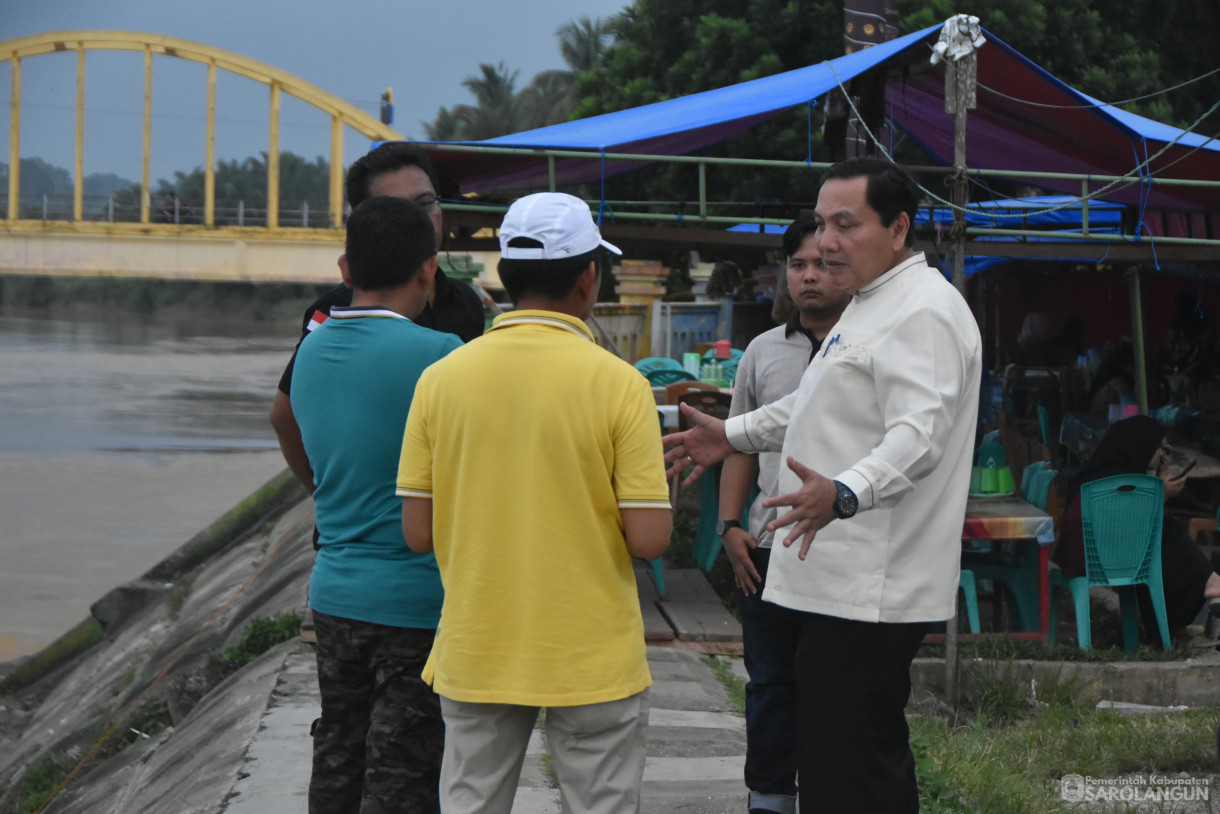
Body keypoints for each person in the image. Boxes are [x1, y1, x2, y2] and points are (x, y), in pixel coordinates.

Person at [664, 157, 982, 813]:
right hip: (833, 581)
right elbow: (812, 404)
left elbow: (918, 433)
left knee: (854, 767)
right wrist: (734, 434)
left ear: (898, 229)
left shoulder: (921, 312)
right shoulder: (869, 305)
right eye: (821, 224)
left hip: (871, 584)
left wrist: (844, 491)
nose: (828, 242)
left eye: (846, 224)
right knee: (841, 757)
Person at [397, 192, 672, 814]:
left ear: (506, 274)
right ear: (588, 276)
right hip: (592, 654)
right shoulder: (622, 385)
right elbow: (651, 540)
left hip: (478, 644)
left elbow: (417, 531)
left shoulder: (441, 380)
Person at [291, 196, 463, 813]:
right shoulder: (442, 356)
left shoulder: (310, 352)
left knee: (337, 751)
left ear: (346, 268)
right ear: (428, 270)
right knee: (404, 771)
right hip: (416, 601)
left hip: (334, 593)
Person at [717, 215, 850, 814]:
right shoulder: (762, 353)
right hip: (768, 551)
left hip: (847, 549)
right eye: (799, 265)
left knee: (837, 690)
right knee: (770, 685)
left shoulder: (868, 347)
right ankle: (768, 800)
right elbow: (738, 446)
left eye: (822, 264)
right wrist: (729, 528)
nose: (810, 276)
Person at [270, 142, 485, 495]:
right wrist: (323, 491)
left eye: (426, 203)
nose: (420, 220)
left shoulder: (464, 303)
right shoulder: (336, 311)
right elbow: (284, 415)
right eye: (398, 209)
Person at [1054, 414, 1220, 639]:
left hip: (1092, 556)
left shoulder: (1102, 473)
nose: (1164, 453)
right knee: (1166, 531)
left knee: (1162, 535)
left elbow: (1127, 526)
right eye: (1158, 446)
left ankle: (1195, 596)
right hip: (1096, 560)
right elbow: (1136, 522)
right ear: (1139, 445)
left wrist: (1159, 478)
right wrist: (1160, 494)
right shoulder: (1120, 481)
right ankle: (1209, 583)